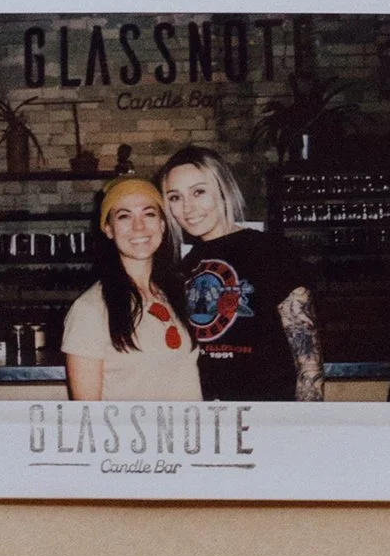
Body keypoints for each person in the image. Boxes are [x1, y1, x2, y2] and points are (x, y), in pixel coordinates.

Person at [158, 146, 323, 400]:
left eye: (198, 192)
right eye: (175, 197)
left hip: (268, 411)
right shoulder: (183, 266)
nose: (187, 208)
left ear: (223, 190)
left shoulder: (270, 249)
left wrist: (306, 417)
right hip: (208, 413)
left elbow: (307, 356)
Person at [60, 176, 200, 401]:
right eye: (124, 216)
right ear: (108, 229)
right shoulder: (89, 310)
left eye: (149, 214)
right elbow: (87, 411)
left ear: (162, 224)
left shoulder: (178, 292)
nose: (139, 226)